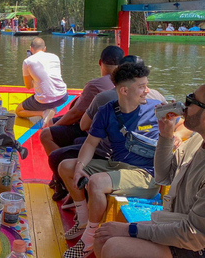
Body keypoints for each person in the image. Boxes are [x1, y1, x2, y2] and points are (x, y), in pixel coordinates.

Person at [59, 62, 161, 258]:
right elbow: (89, 144)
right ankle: (83, 220)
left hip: (145, 175)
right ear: (124, 90)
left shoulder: (157, 110)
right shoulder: (106, 111)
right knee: (67, 167)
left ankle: (89, 239)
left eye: (146, 85)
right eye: (142, 86)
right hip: (117, 166)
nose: (147, 91)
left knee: (96, 183)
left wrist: (173, 136)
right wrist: (80, 167)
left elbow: (183, 124)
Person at [94, 85, 205, 258]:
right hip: (178, 224)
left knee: (114, 247)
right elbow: (163, 176)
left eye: (191, 100)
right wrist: (166, 136)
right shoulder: (196, 140)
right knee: (103, 237)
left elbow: (194, 235)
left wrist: (131, 229)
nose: (184, 104)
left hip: (196, 245)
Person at [41, 45, 124, 200]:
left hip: (94, 135)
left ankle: (61, 181)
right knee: (54, 122)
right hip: (107, 138)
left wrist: (55, 125)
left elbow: (76, 116)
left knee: (47, 133)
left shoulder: (97, 86)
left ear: (100, 62)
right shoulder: (135, 91)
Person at [16, 37, 68, 118]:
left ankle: (43, 113)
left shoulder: (27, 61)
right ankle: (51, 108)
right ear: (44, 49)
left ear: (31, 49)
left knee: (19, 111)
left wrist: (34, 77)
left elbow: (28, 86)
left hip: (44, 101)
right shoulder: (55, 57)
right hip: (63, 96)